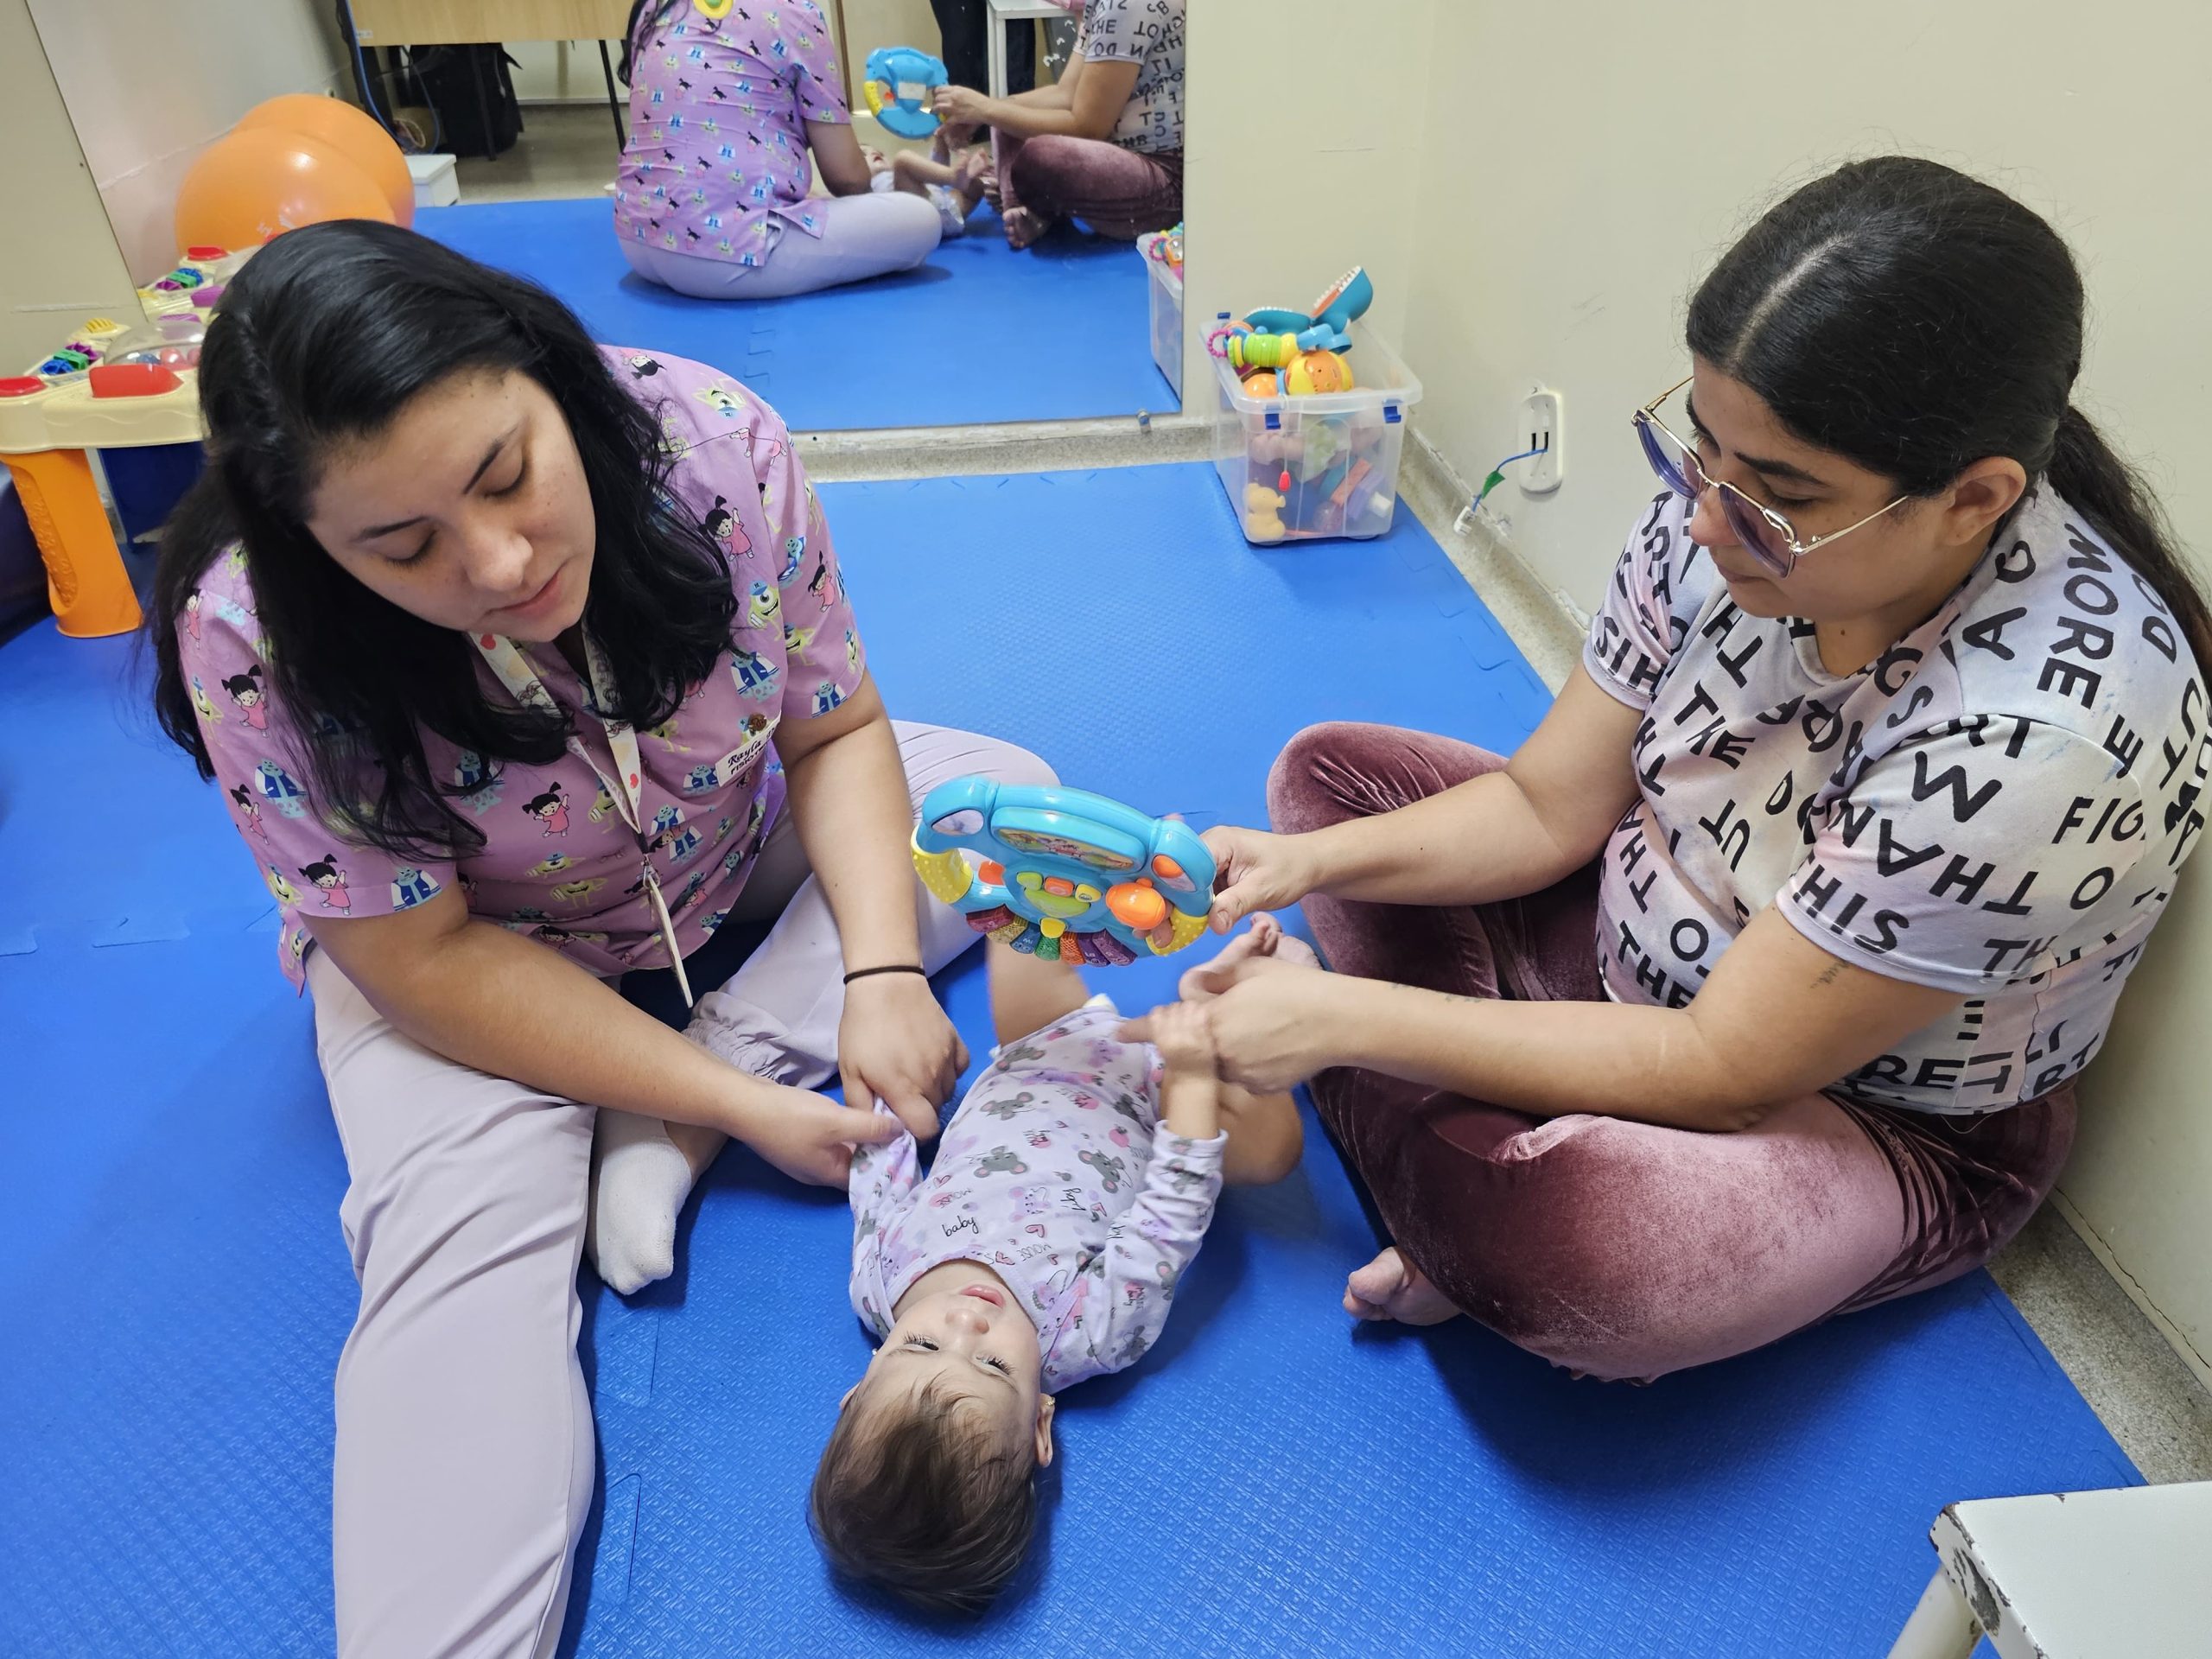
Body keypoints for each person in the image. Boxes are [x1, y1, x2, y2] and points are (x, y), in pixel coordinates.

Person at [149, 220, 1052, 1656]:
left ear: (545, 372)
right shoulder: (249, 634)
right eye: (405, 546)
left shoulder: (711, 443)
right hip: (474, 965)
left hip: (718, 860)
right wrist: (753, 1108)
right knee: (460, 1262)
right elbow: (424, 963)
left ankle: (675, 1100)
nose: (501, 561)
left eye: (507, 474)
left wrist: (880, 971)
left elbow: (836, 730)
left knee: (1009, 811)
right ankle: (673, 1094)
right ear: (313, 545)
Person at [1168, 157, 2212, 1383]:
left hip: (1838, 1107)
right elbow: (1546, 802)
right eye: (1702, 450)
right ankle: (1456, 1144)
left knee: (1586, 1256)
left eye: (1777, 498)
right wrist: (1305, 863)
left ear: (1972, 499)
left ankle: (1431, 1131)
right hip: (1636, 938)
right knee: (1329, 781)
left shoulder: (2042, 737)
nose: (1708, 520)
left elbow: (1724, 1071)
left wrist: (1343, 1017)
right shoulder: (1727, 508)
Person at [810, 918, 1305, 1611]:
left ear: (857, 1388)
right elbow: (1171, 1219)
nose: (965, 1322)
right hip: (1159, 1107)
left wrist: (884, 1093)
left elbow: (882, 1181)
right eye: (992, 1366)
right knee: (1273, 1152)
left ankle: (1033, 844)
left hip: (1040, 1047)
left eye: (922, 1344)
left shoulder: (876, 1287)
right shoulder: (1087, 1336)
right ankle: (1253, 986)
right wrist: (1190, 1074)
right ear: (1041, 1423)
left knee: (1018, 932)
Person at [614, 0, 940, 299]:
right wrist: (872, 171)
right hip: (723, 256)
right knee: (922, 218)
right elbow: (848, 179)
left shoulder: (655, 7)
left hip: (637, 237)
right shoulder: (795, 13)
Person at [931, 0, 1183, 250]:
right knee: (1006, 112)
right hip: (1120, 153)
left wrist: (985, 109)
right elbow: (1066, 93)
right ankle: (1025, 205)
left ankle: (1034, 202)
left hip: (1163, 179)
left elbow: (1089, 127)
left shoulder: (1126, 6)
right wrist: (984, 110)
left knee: (1039, 151)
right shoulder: (1105, 4)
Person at [865, 121, 992, 242]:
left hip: (946, 215)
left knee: (975, 185)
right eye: (863, 154)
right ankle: (955, 177)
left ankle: (983, 178)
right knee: (902, 160)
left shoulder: (896, 177)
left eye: (879, 153)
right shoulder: (865, 186)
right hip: (913, 219)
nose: (875, 153)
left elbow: (936, 180)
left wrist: (940, 140)